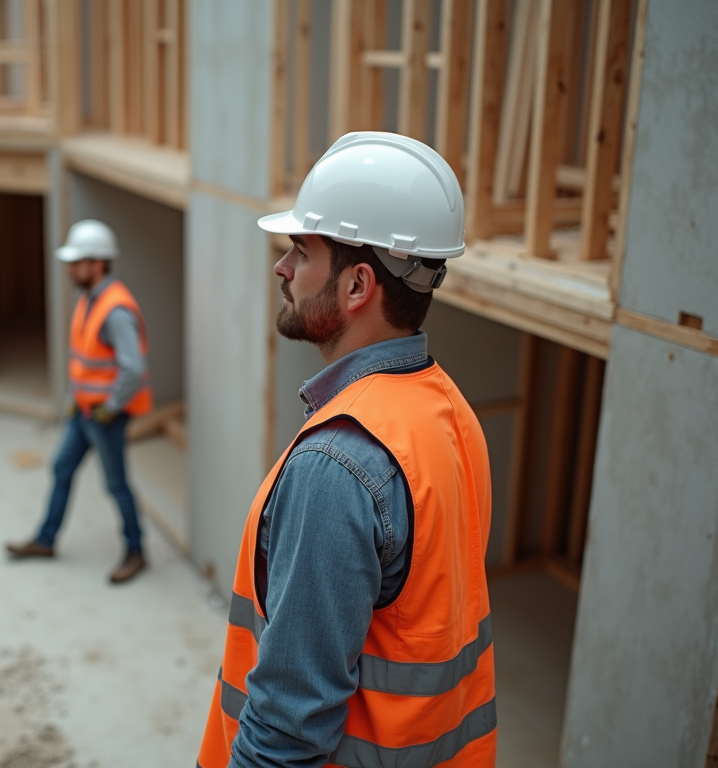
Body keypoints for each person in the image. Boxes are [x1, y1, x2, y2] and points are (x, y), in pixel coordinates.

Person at [197, 132, 498, 767]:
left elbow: (288, 728)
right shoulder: (448, 411)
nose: (282, 268)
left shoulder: (337, 466)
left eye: (301, 252)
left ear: (359, 285)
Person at [5, 220, 153, 584]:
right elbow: (85, 361)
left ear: (98, 263)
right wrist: (76, 398)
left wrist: (111, 406)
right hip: (85, 412)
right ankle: (45, 540)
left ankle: (136, 551)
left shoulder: (115, 310)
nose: (70, 269)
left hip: (104, 417)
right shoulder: (91, 300)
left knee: (116, 485)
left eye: (77, 262)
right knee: (61, 468)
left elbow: (132, 367)